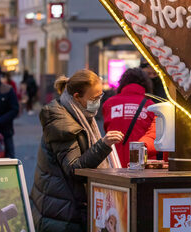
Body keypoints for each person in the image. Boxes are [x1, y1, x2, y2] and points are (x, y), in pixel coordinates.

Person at [30, 69, 124, 231]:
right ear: (77, 97)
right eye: (94, 98)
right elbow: (74, 168)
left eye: (101, 96)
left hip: (65, 205)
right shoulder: (62, 122)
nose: (98, 102)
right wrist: (103, 145)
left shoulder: (79, 113)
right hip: (60, 212)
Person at [102, 68, 155, 168]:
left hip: (115, 165)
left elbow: (107, 132)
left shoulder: (109, 103)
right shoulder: (151, 106)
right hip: (141, 167)